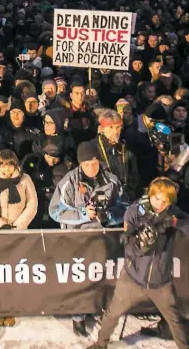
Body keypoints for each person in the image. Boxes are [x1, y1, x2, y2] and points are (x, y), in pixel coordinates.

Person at [87, 177, 189, 349]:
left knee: (175, 320)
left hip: (161, 281)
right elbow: (129, 248)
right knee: (112, 314)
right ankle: (100, 344)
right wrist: (142, 245)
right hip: (132, 279)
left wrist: (177, 222)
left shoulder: (173, 212)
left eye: (165, 201)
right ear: (150, 194)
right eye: (157, 198)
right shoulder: (133, 211)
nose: (160, 204)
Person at [49, 140, 126, 337]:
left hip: (102, 237)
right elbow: (55, 211)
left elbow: (124, 207)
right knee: (79, 279)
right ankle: (78, 317)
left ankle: (101, 310)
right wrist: (82, 214)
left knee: (101, 276)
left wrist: (108, 216)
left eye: (94, 163)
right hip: (77, 239)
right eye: (86, 164)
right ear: (79, 164)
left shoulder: (111, 180)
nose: (91, 168)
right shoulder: (69, 181)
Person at [0, 149, 38, 327]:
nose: (6, 168)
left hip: (17, 234)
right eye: (2, 164)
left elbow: (32, 204)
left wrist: (18, 226)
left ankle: (10, 309)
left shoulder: (25, 180)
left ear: (15, 164)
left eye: (9, 164)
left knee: (13, 273)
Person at [91, 109, 140, 202]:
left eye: (118, 127)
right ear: (102, 128)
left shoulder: (126, 146)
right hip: (104, 197)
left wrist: (132, 191)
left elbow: (134, 173)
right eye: (111, 127)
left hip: (126, 196)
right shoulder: (93, 148)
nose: (115, 131)